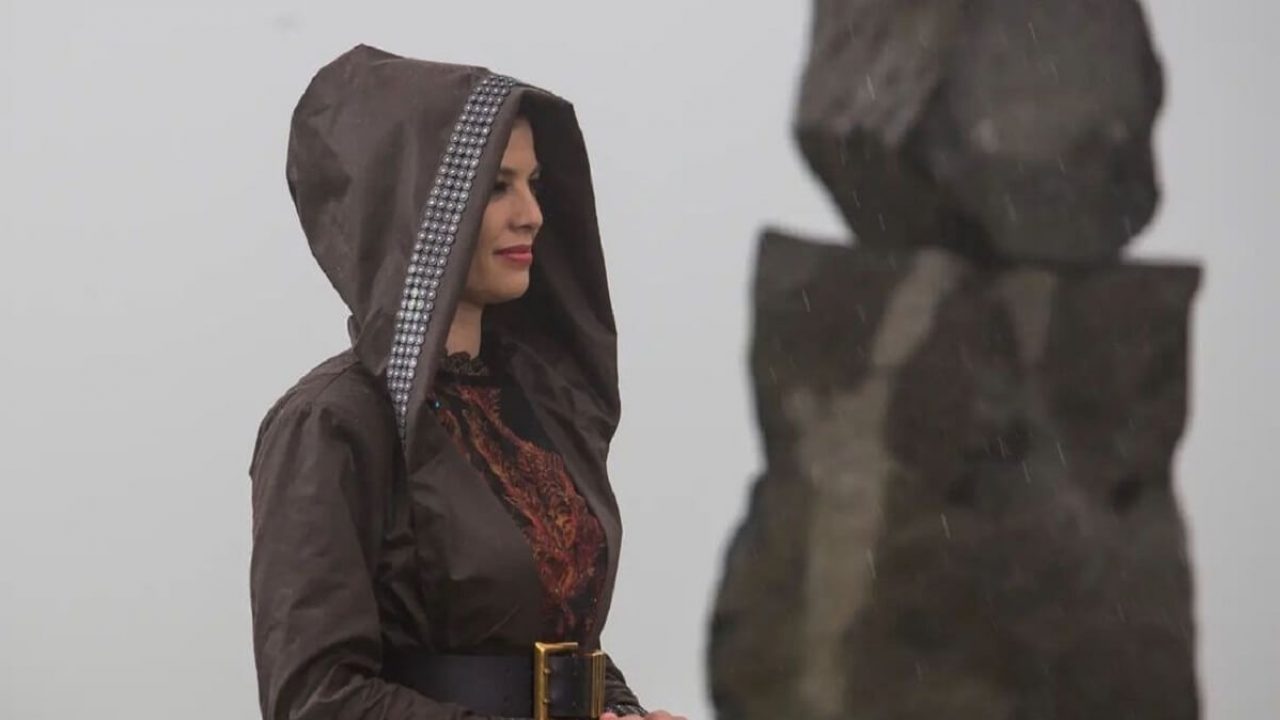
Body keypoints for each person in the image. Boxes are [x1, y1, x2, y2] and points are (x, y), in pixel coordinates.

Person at [248, 45, 686, 720]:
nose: (532, 213)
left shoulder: (533, 406)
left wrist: (624, 713)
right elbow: (315, 699)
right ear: (419, 206)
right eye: (498, 186)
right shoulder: (330, 423)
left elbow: (555, 639)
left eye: (534, 182)